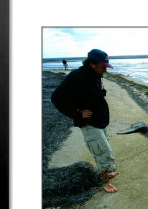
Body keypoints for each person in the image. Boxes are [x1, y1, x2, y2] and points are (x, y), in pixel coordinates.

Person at [51, 49, 119, 193]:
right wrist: (76, 113)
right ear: (92, 64)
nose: (105, 71)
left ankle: (105, 172)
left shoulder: (95, 75)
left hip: (99, 120)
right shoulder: (77, 77)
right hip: (89, 123)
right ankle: (104, 181)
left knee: (102, 146)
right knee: (104, 152)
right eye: (103, 67)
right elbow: (56, 98)